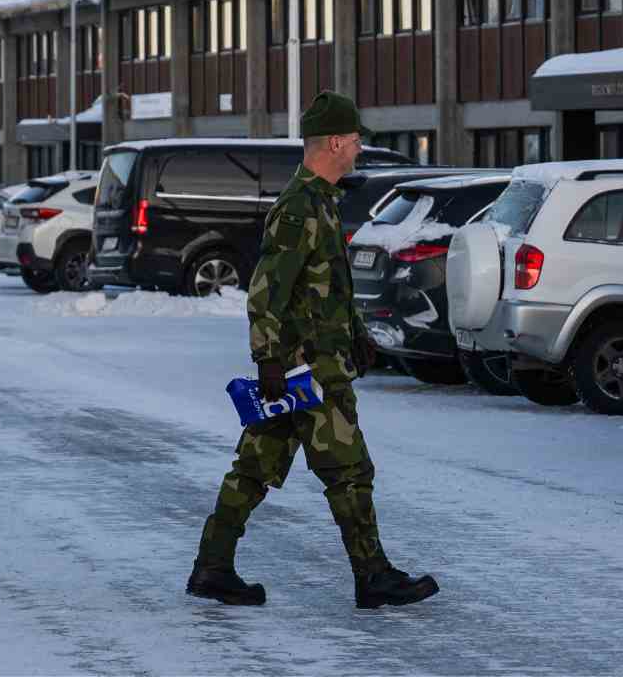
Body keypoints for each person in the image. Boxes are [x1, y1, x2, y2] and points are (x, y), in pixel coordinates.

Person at [186, 91, 439, 612]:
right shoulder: (300, 207)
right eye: (356, 140)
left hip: (310, 366)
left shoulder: (321, 200)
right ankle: (373, 576)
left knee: (253, 470)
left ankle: (212, 568)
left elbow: (321, 287)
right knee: (350, 472)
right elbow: (266, 291)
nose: (360, 149)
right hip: (306, 373)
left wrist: (357, 336)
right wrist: (269, 360)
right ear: (337, 142)